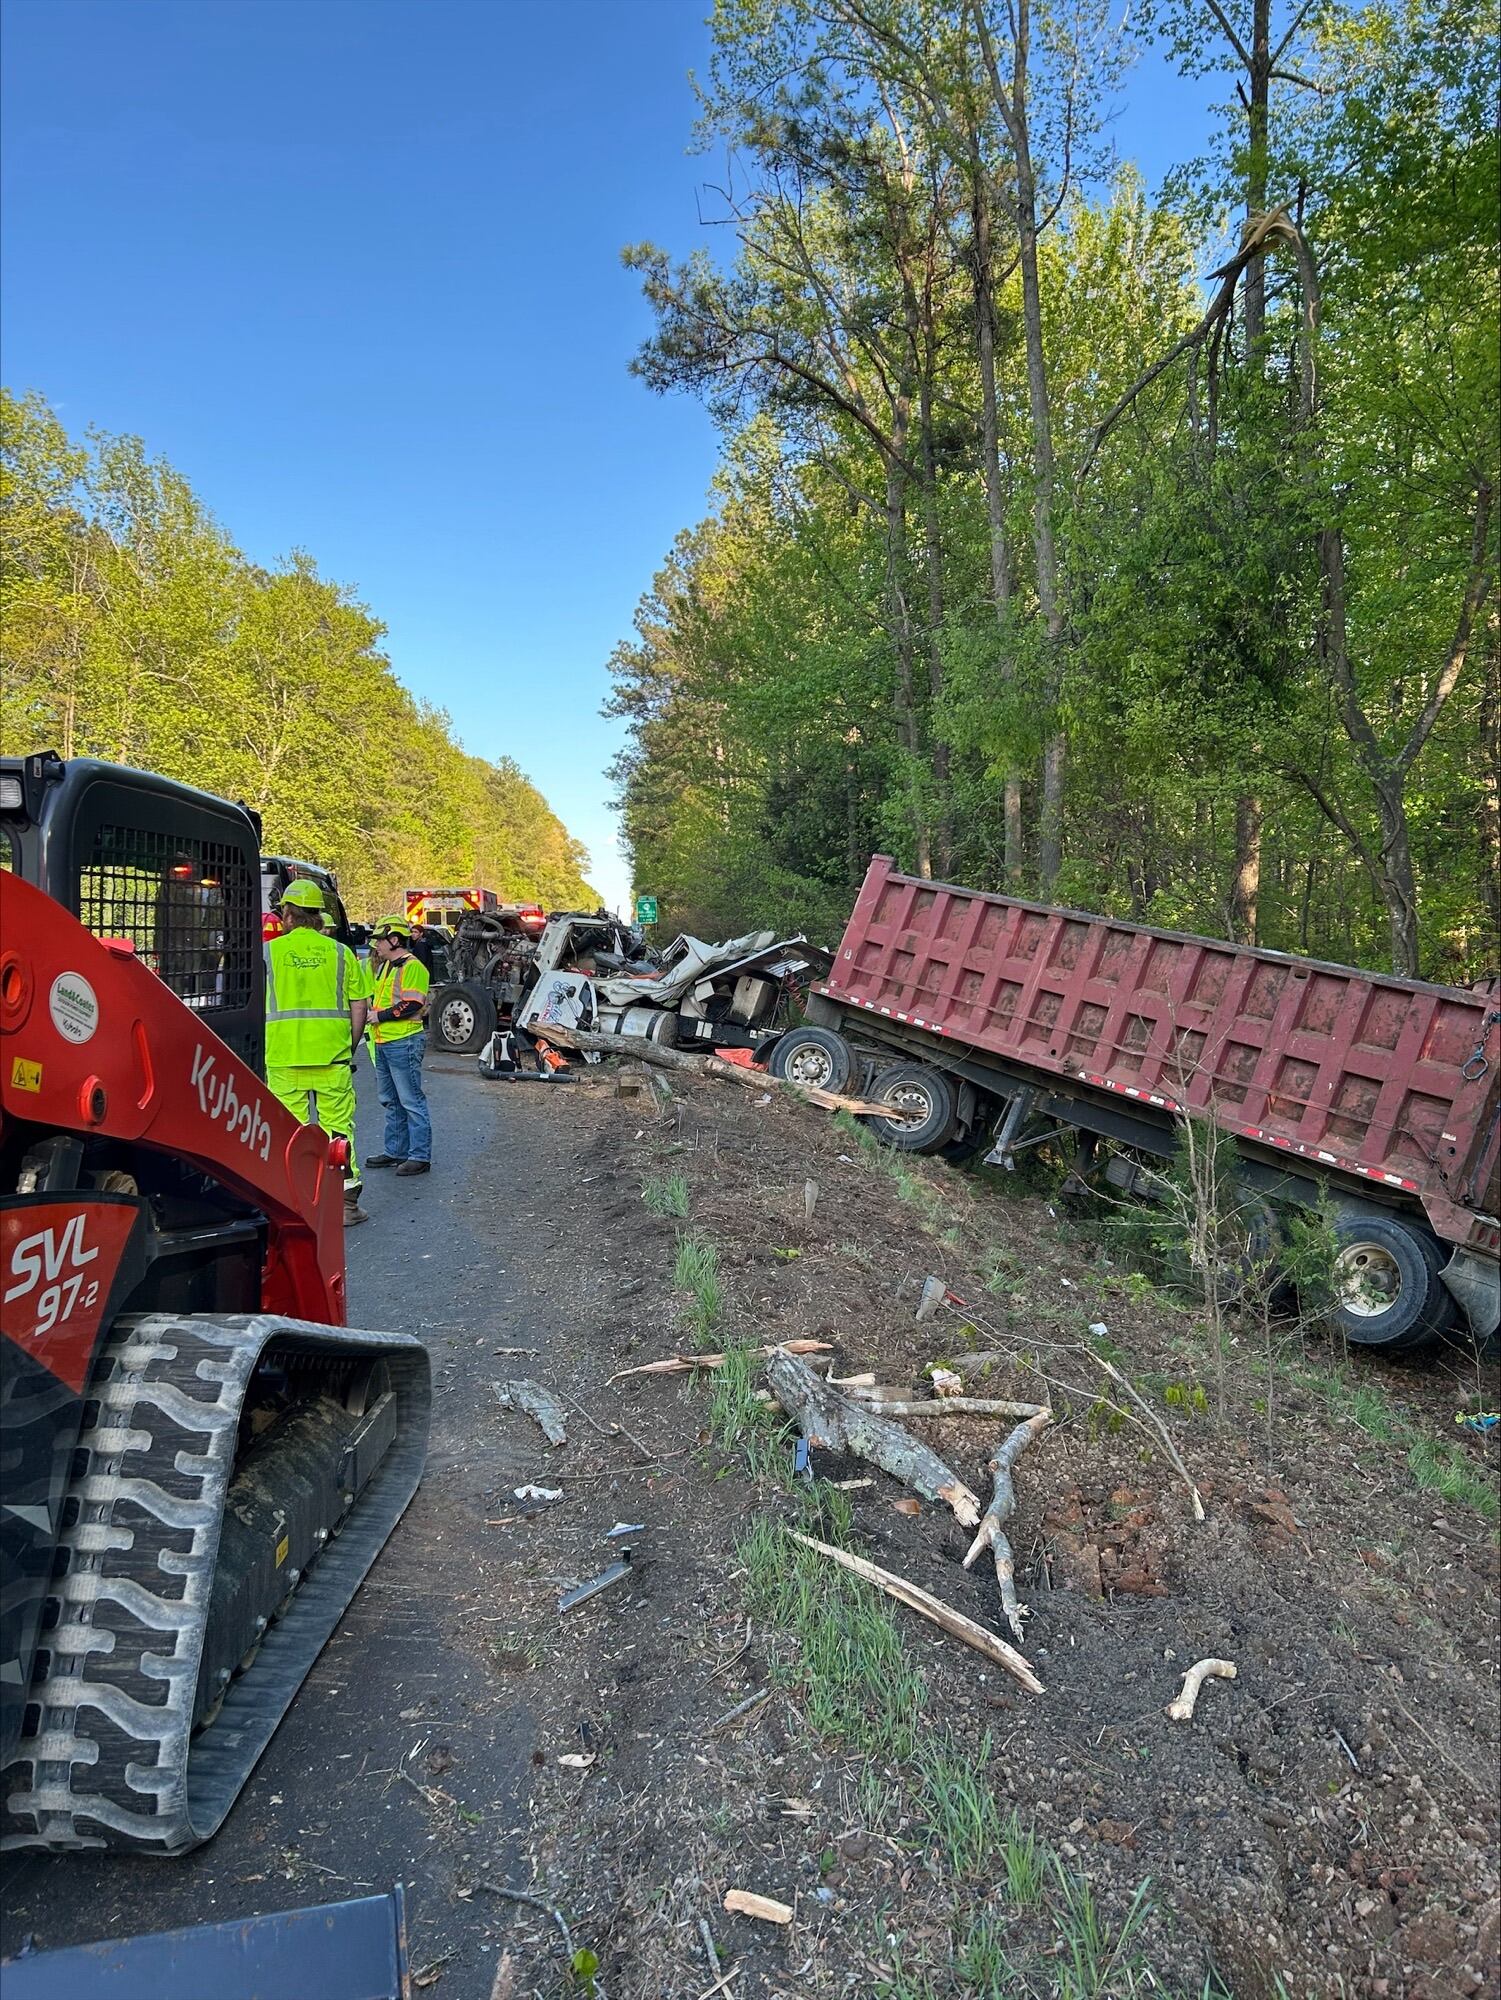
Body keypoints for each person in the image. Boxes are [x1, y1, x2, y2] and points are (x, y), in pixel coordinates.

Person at [263, 878, 372, 1226]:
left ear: (289, 916)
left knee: (290, 1132)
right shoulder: (341, 954)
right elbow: (360, 1007)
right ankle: (346, 1205)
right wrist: (349, 1046)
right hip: (332, 1057)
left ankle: (295, 1204)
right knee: (339, 1128)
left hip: (282, 1058)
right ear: (318, 917)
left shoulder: (268, 953)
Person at [366, 915, 432, 1177]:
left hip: (403, 1041)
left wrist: (378, 1016)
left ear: (394, 940)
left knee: (410, 1100)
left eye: (380, 940)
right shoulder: (387, 966)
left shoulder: (412, 967)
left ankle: (419, 1156)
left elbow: (413, 1004)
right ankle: (395, 1151)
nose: (376, 946)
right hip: (385, 1041)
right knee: (391, 1100)